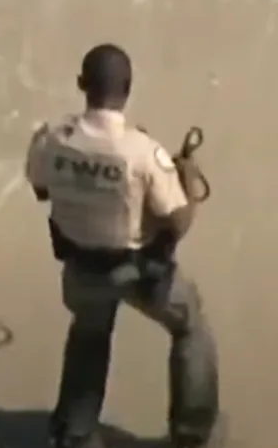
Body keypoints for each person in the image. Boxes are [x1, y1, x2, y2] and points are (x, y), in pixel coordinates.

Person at [24, 44, 219, 448]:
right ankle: (191, 432)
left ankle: (74, 433)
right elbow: (177, 221)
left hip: (80, 269)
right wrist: (186, 179)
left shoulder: (49, 139)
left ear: (81, 85)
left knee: (90, 337)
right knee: (190, 326)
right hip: (138, 271)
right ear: (128, 89)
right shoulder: (144, 154)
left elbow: (41, 188)